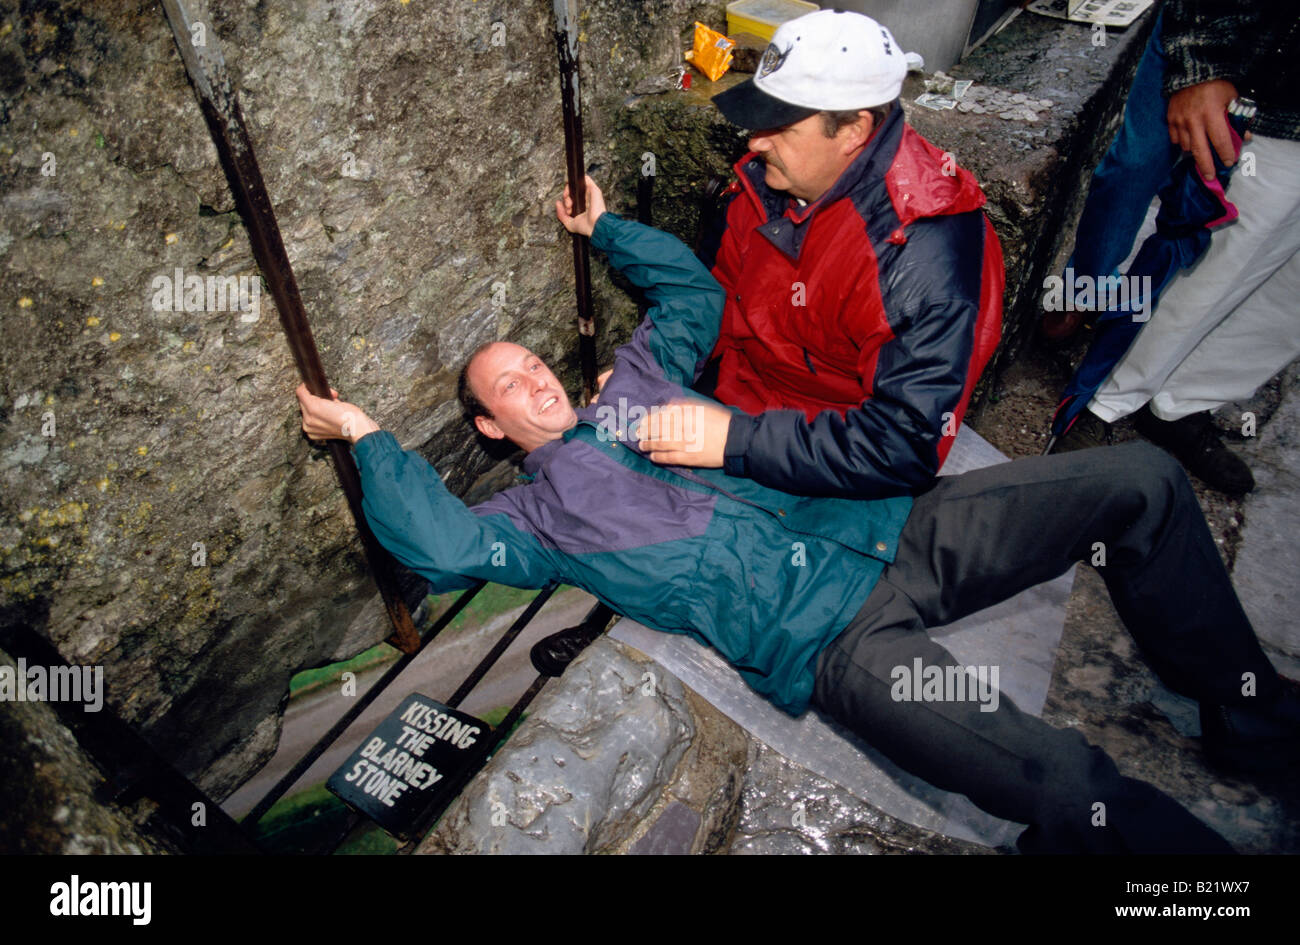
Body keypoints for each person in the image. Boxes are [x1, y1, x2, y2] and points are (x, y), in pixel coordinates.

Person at [297, 179, 1298, 854]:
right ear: (491, 423)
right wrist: (366, 434)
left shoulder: (635, 389)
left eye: (529, 362)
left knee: (1137, 479)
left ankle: (1249, 712)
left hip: (892, 529)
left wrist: (604, 230)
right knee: (1055, 778)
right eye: (507, 385)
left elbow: (693, 296)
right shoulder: (533, 517)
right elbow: (433, 542)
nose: (531, 378)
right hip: (837, 641)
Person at [635, 9, 1003, 499]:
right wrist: (653, 369)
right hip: (743, 410)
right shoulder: (764, 184)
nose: (754, 141)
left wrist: (735, 441)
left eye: (779, 126)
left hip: (830, 453)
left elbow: (901, 446)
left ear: (853, 131)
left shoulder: (922, 256)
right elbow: (713, 300)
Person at [1050, 2, 1300, 496]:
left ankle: (1182, 404)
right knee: (1209, 262)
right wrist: (1203, 61)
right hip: (1269, 88)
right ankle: (1101, 401)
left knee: (1284, 299)